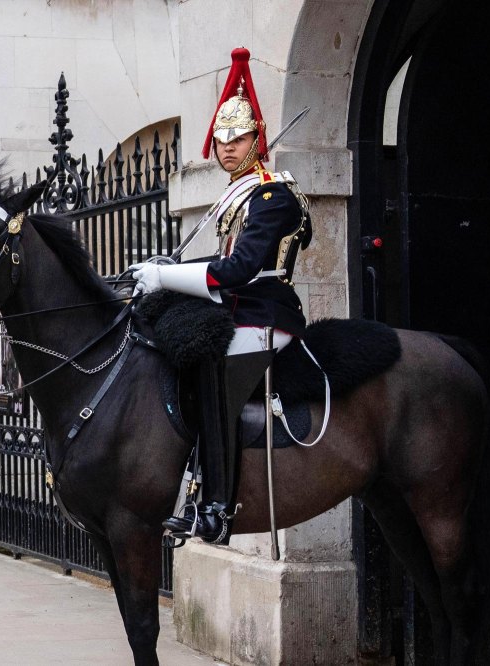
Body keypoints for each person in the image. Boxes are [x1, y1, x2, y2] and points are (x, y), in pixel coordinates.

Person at [132, 47, 312, 543]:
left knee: (214, 372)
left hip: (268, 315)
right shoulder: (237, 196)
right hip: (238, 312)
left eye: (239, 138)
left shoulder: (273, 196)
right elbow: (218, 268)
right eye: (221, 140)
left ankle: (216, 506)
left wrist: (168, 279)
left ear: (258, 139)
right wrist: (166, 269)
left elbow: (237, 269)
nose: (227, 147)